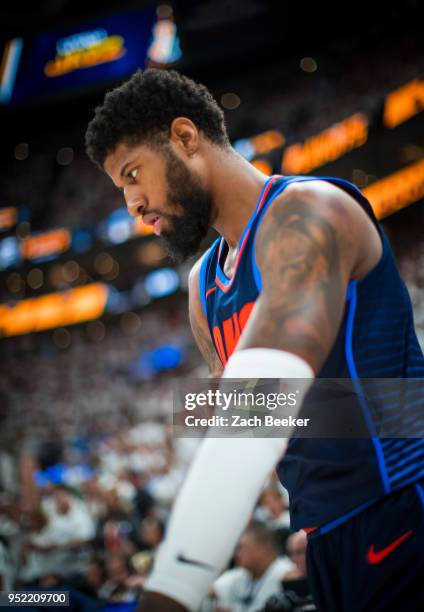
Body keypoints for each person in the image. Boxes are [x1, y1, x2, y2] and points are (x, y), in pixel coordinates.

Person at [85, 69, 424, 611]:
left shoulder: (311, 211)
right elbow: (263, 418)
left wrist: (176, 583)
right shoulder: (204, 288)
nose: (133, 204)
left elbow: (270, 401)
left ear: (185, 137)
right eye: (121, 188)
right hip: (320, 533)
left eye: (132, 174)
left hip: (400, 504)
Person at [208, 521, 294, 612]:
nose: (237, 554)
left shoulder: (286, 573)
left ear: (263, 548)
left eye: (241, 548)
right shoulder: (242, 574)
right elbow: (210, 590)